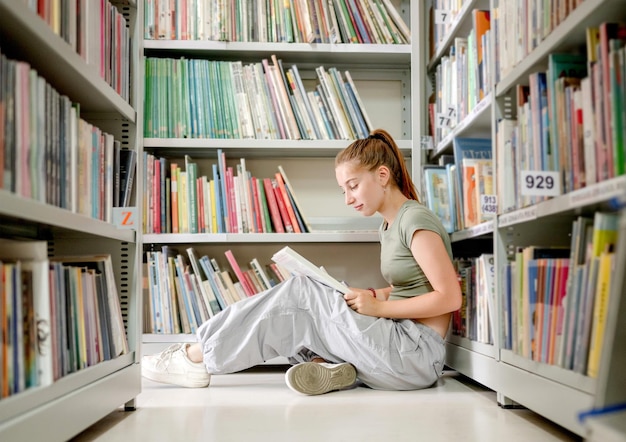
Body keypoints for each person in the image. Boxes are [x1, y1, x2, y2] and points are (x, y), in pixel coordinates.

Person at [141, 128, 462, 395]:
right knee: (307, 310)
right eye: (343, 190)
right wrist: (374, 295)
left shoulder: (415, 219)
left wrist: (378, 309)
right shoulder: (388, 224)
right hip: (397, 347)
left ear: (382, 175)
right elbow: (409, 286)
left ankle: (196, 357)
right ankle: (335, 368)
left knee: (302, 293)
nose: (348, 198)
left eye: (353, 186)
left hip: (417, 356)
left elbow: (448, 297)